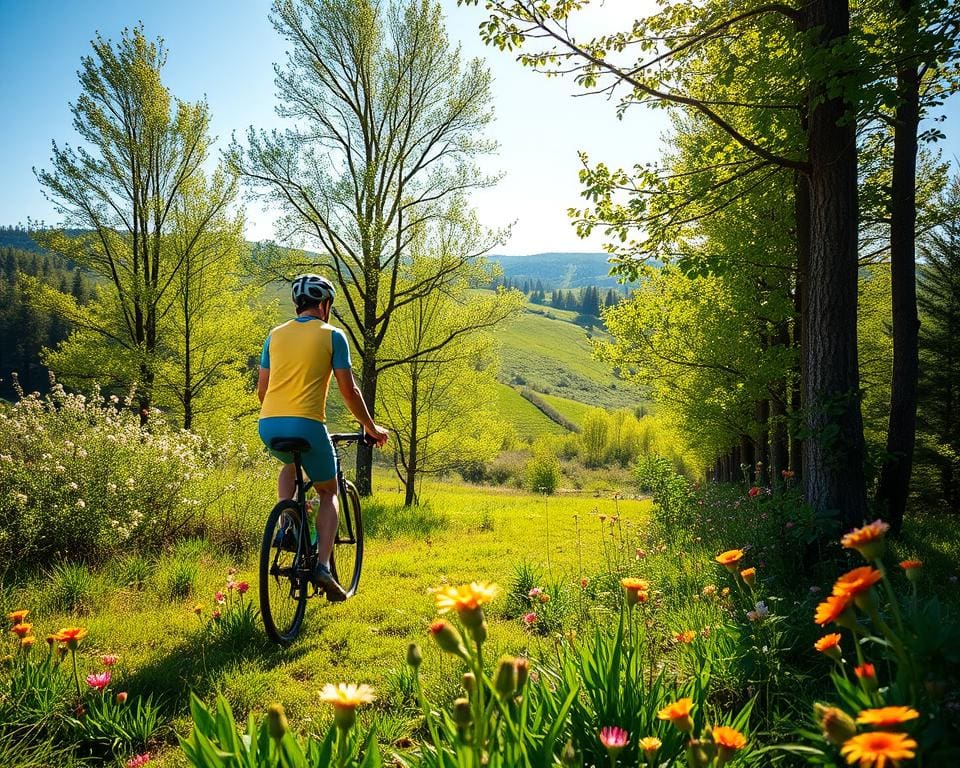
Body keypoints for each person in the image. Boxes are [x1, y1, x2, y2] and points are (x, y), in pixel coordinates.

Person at [257, 274, 389, 601]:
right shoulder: (333, 335)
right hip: (308, 424)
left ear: (296, 304)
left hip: (270, 423)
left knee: (290, 463)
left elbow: (262, 390)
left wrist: (285, 417)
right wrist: (372, 429)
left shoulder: (274, 336)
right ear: (325, 304)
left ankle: (287, 524)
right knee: (328, 490)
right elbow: (350, 391)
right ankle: (324, 567)